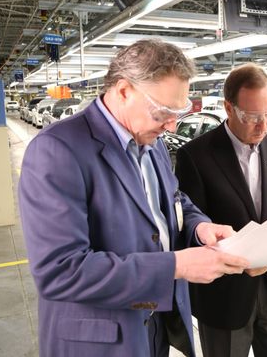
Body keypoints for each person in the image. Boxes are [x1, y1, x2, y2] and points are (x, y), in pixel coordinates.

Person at [19, 39, 249, 357]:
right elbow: (60, 271)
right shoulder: (57, 150)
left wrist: (199, 228)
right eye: (162, 111)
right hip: (100, 342)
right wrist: (174, 266)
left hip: (154, 329)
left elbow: (172, 198)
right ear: (124, 90)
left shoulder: (150, 142)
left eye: (178, 112)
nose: (171, 125)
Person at [175, 63, 267, 357]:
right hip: (224, 297)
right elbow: (190, 224)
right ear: (229, 108)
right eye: (253, 117)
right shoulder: (196, 156)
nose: (263, 126)